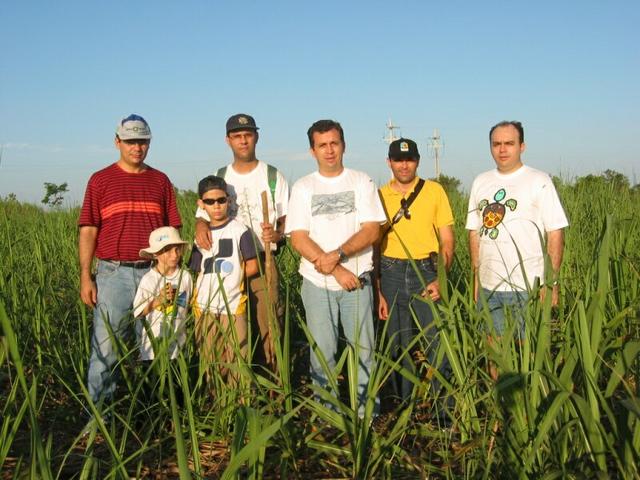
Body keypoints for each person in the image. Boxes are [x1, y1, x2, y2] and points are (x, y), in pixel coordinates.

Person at [78, 114, 182, 405]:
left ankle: (154, 414)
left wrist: (171, 272)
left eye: (142, 142)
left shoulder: (160, 181)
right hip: (114, 274)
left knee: (156, 347)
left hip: (154, 273)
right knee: (106, 348)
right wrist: (86, 275)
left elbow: (174, 229)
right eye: (130, 142)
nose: (137, 148)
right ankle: (99, 420)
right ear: (117, 142)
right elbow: (89, 229)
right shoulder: (100, 180)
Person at [286, 119, 386, 415]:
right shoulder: (304, 187)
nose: (329, 150)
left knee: (363, 353)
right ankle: (327, 416)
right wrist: (336, 269)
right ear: (312, 150)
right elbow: (299, 239)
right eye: (322, 145)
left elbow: (372, 231)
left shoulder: (361, 181)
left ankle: (365, 414)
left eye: (334, 143)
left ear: (344, 145)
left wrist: (340, 254)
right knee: (323, 355)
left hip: (358, 282)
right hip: (318, 284)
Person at [194, 114, 288, 371]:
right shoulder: (220, 174)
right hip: (225, 265)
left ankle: (274, 385)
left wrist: (277, 235)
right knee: (231, 330)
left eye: (248, 135)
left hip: (261, 260)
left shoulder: (272, 175)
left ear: (256, 137)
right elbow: (202, 216)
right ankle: (230, 385)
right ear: (228, 140)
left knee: (268, 324)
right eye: (237, 136)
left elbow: (285, 221)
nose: (243, 141)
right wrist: (200, 224)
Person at [465, 120, 568, 341]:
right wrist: (476, 278)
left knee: (526, 349)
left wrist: (552, 283)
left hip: (528, 286)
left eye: (509, 143)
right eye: (496, 144)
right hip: (488, 286)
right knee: (492, 348)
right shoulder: (480, 182)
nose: (502, 150)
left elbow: (555, 233)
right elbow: (474, 232)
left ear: (522, 146)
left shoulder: (539, 180)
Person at [376, 138, 455, 405]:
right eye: (398, 159)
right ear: (389, 162)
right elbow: (374, 244)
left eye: (409, 159)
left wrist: (441, 279)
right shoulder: (378, 195)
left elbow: (447, 239)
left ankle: (442, 408)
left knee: (437, 341)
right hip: (390, 271)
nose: (404, 165)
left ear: (418, 161)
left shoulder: (434, 191)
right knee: (398, 344)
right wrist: (378, 289)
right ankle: (403, 406)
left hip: (427, 270)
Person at [190, 175, 259, 387]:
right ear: (201, 204)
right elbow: (195, 269)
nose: (217, 206)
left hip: (233, 303)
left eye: (221, 200)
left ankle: (241, 403)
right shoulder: (199, 236)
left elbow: (253, 265)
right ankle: (216, 402)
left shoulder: (240, 230)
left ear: (228, 200)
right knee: (211, 358)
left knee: (238, 355)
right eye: (210, 202)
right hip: (204, 305)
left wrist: (232, 277)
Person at [133, 227, 192, 361]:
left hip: (179, 349)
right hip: (153, 351)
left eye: (177, 249)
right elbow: (138, 312)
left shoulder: (185, 276)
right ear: (155, 254)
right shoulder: (149, 279)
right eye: (167, 250)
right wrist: (157, 301)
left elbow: (189, 306)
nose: (174, 254)